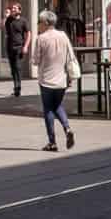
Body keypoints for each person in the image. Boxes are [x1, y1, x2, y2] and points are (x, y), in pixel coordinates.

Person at [29, 10, 79, 152]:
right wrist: (69, 76)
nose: (38, 25)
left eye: (39, 22)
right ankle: (67, 128)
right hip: (61, 79)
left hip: (46, 80)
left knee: (48, 109)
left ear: (45, 23)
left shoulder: (41, 38)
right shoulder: (63, 36)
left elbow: (36, 60)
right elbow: (71, 56)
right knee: (57, 105)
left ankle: (52, 142)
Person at [4, 1, 31, 96]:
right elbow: (0, 26)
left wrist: (26, 46)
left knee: (18, 67)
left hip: (19, 47)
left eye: (15, 8)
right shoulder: (8, 20)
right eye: (12, 9)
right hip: (9, 47)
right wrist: (6, 16)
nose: (13, 10)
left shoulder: (23, 21)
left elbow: (28, 34)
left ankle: (18, 87)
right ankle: (16, 86)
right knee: (12, 69)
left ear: (19, 10)